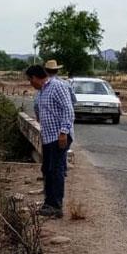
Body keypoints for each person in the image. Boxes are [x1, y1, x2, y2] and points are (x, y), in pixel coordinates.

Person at [26, 63, 75, 218]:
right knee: (47, 170)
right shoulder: (41, 92)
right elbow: (40, 111)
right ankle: (49, 203)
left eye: (30, 80)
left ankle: (56, 206)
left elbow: (68, 109)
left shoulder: (57, 86)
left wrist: (63, 132)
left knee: (56, 170)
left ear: (35, 77)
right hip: (48, 137)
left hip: (59, 137)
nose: (30, 83)